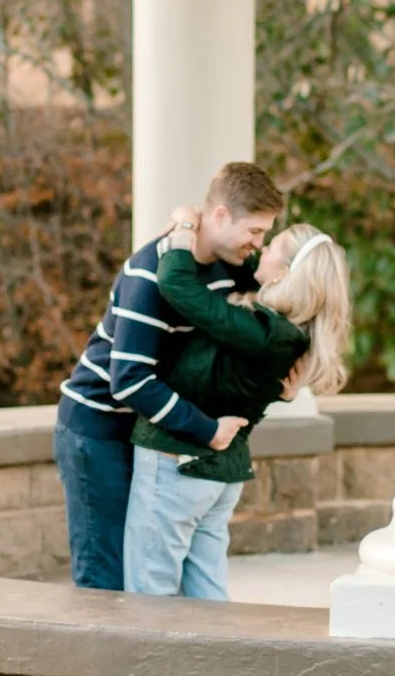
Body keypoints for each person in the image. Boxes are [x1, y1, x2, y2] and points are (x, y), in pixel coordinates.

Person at [52, 160, 283, 592]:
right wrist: (207, 429)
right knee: (107, 577)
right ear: (219, 216)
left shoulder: (227, 265)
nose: (258, 243)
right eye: (254, 231)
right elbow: (130, 380)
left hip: (147, 428)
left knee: (149, 574)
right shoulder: (150, 273)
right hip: (98, 429)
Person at [123, 223, 353, 599]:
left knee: (149, 596)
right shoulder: (288, 334)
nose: (260, 250)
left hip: (178, 466)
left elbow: (177, 284)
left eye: (272, 246)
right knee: (208, 597)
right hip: (217, 476)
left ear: (285, 272)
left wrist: (182, 229)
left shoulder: (260, 331)